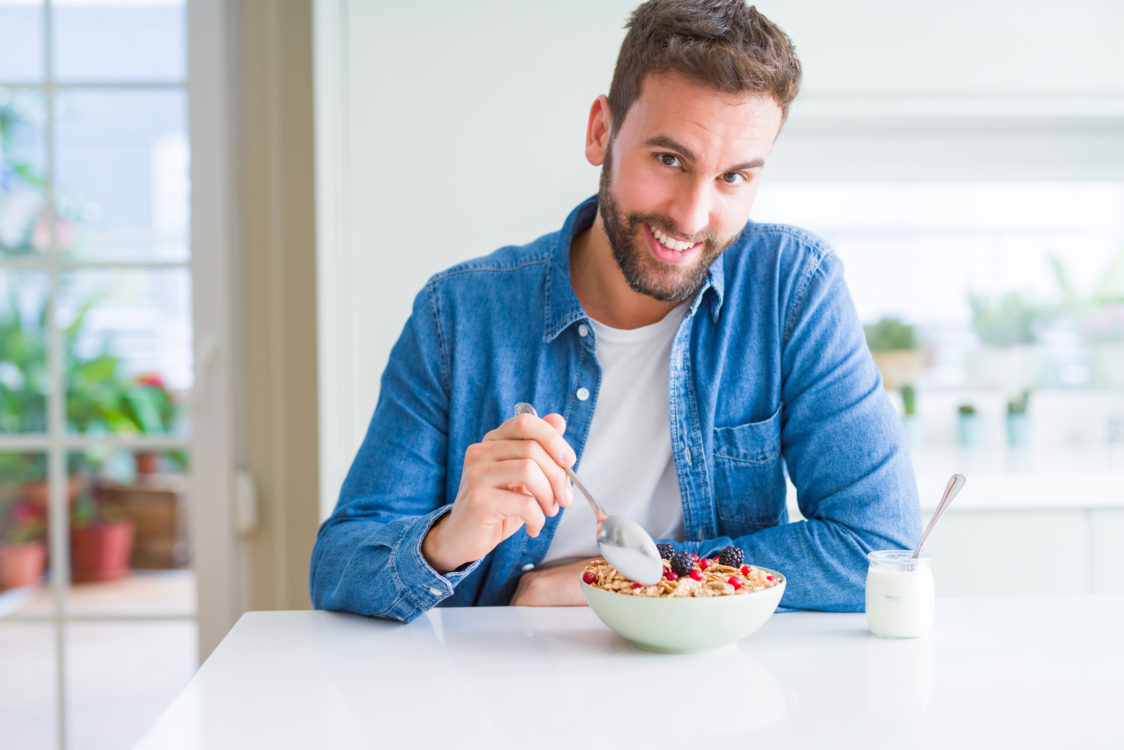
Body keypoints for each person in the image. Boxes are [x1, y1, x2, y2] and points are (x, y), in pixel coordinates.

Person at [310, 0, 921, 622]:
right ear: (601, 131)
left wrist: (629, 580)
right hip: (500, 692)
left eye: (733, 177)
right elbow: (339, 566)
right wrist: (450, 539)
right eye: (669, 160)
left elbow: (878, 544)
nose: (691, 216)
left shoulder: (791, 288)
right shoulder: (459, 314)